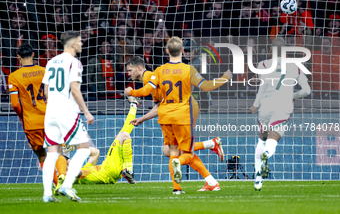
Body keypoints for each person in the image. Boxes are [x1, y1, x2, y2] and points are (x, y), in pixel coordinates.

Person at [125, 38, 232, 193]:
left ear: (167, 51)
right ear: (182, 51)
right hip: (182, 113)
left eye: (129, 70)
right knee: (178, 153)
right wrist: (226, 77)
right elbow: (207, 86)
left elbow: (147, 92)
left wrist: (131, 93)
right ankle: (210, 149)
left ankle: (181, 187)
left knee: (172, 152)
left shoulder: (159, 71)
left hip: (169, 115)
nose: (128, 73)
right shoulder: (188, 70)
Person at [250, 37, 311, 191]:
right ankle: (267, 155)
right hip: (282, 106)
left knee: (262, 140)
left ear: (271, 50)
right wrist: (291, 96)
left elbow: (262, 85)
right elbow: (307, 91)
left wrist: (255, 104)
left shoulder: (262, 65)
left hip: (265, 107)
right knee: (273, 139)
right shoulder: (295, 66)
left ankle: (258, 179)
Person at [42, 31, 95, 202]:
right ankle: (67, 185)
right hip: (66, 111)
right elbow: (74, 89)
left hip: (50, 112)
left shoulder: (50, 62)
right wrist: (86, 111)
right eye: (80, 42)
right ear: (72, 44)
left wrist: (53, 107)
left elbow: (46, 91)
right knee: (84, 149)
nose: (82, 44)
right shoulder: (75, 63)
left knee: (52, 153)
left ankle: (47, 195)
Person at [8, 44, 67, 195]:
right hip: (50, 119)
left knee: (42, 155)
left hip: (31, 122)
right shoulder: (45, 71)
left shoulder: (14, 76)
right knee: (58, 151)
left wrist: (23, 114)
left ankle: (56, 184)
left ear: (19, 57)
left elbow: (15, 104)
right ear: (33, 54)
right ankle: (62, 177)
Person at [69, 96, 140, 184]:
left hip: (112, 170)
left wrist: (74, 147)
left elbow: (95, 153)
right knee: (124, 135)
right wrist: (66, 159)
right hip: (108, 169)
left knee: (123, 134)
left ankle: (134, 105)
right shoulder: (73, 176)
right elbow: (76, 172)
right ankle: (129, 170)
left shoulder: (85, 169)